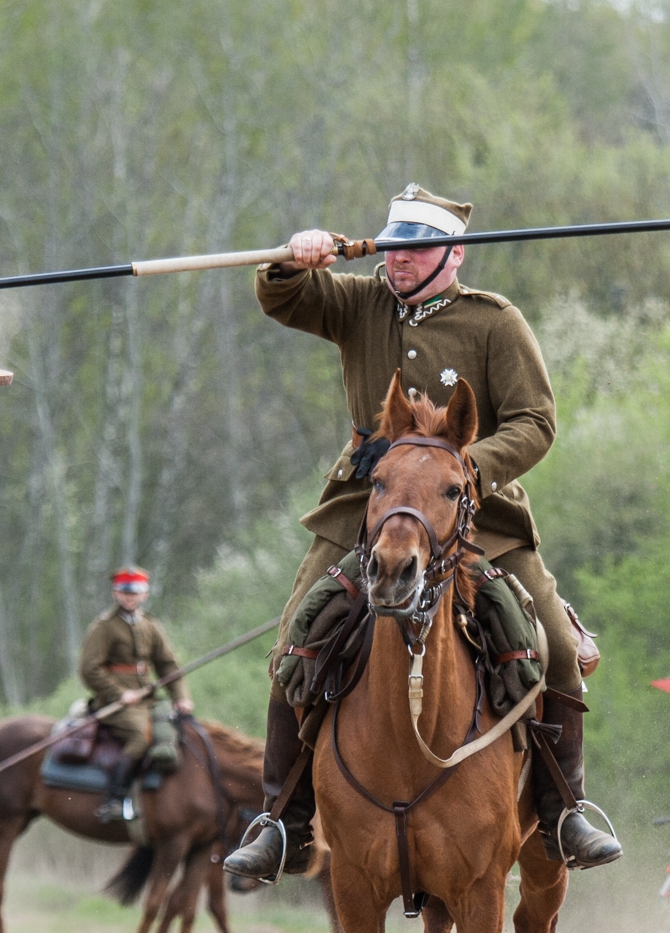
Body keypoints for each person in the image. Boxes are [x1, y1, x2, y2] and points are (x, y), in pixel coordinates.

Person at [224, 185, 621, 880]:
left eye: (417, 249)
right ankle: (281, 820)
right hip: (367, 505)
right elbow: (284, 298)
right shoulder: (357, 301)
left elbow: (536, 422)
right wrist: (294, 257)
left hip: (476, 512)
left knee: (555, 641)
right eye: (394, 245)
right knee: (296, 633)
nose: (400, 260)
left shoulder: (495, 322)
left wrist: (468, 470)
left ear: (454, 254)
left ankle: (564, 808)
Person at [78, 567, 193, 822]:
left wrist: (180, 697)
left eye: (135, 593)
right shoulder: (104, 627)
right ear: (115, 593)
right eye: (124, 592)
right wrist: (120, 693)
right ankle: (114, 800)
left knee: (182, 733)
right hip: (115, 703)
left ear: (144, 594)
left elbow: (167, 665)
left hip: (148, 699)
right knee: (141, 737)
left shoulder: (150, 625)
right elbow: (89, 669)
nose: (129, 597)